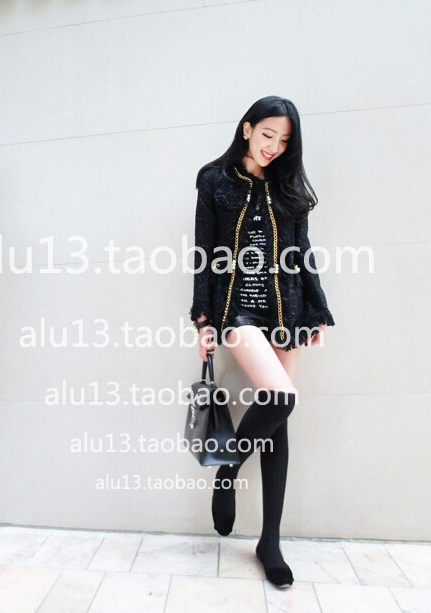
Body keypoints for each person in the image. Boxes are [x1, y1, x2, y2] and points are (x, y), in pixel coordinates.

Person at [189, 95, 335, 588]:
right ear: (247, 128)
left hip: (287, 309)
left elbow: (302, 253)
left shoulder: (289, 186)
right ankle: (228, 469)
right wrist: (203, 319)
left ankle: (269, 541)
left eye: (284, 140)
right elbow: (203, 253)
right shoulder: (214, 179)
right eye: (268, 135)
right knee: (280, 398)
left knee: (278, 421)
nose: (274, 147)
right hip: (237, 310)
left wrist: (316, 309)